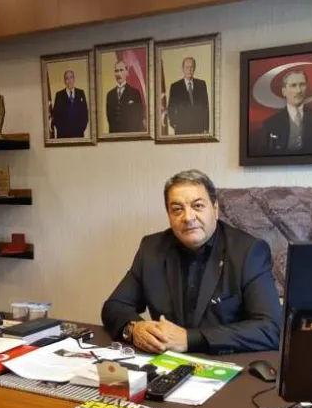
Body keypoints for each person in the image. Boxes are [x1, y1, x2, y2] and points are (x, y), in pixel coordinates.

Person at [101, 170, 281, 355]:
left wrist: (189, 339)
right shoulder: (151, 249)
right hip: (165, 362)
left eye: (198, 206)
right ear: (169, 215)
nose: (188, 217)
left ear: (215, 209)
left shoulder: (248, 251)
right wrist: (134, 329)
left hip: (225, 361)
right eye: (177, 209)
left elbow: (270, 328)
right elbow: (114, 306)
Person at [262, 70, 312, 154]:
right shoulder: (270, 123)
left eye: (302, 85)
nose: (299, 90)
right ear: (284, 91)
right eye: (293, 85)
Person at [167, 57, 209, 135]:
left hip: (199, 130)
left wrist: (206, 127)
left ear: (194, 68)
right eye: (187, 67)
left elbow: (205, 107)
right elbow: (171, 108)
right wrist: (175, 124)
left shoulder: (202, 84)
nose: (189, 70)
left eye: (191, 67)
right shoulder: (175, 87)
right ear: (183, 69)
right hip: (182, 129)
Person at [105, 60, 144, 133]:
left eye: (121, 70)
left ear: (127, 72)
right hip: (114, 135)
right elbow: (109, 119)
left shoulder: (135, 93)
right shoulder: (110, 95)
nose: (118, 74)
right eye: (116, 71)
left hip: (130, 134)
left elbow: (139, 116)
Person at [52, 70, 89, 138]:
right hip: (63, 135)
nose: (69, 81)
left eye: (71, 77)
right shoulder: (59, 95)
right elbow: (56, 116)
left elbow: (85, 113)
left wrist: (81, 129)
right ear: (64, 81)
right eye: (67, 78)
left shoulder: (81, 93)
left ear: (74, 79)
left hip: (78, 135)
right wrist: (62, 131)